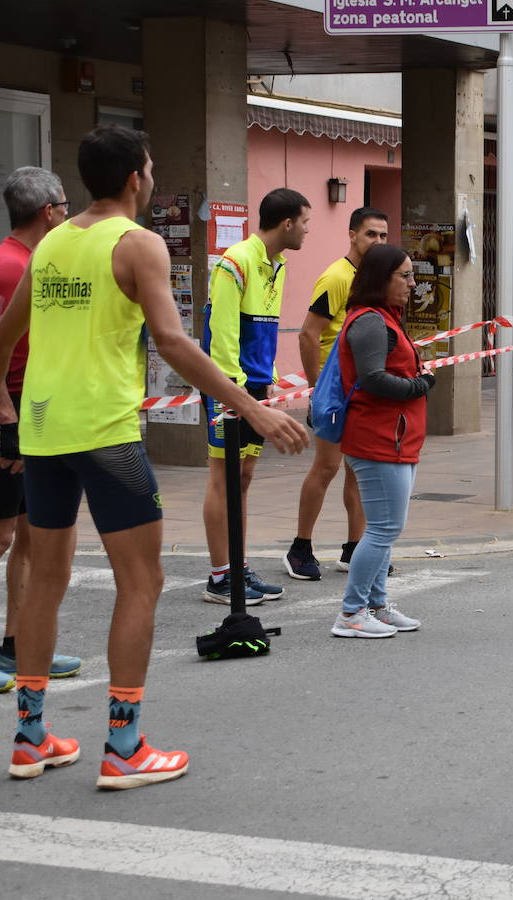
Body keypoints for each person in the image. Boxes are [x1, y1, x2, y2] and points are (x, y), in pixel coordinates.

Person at [0, 124, 307, 788]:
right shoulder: (138, 244)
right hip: (105, 435)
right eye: (153, 167)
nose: (154, 177)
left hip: (43, 434)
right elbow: (172, 341)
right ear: (136, 177)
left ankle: (29, 737)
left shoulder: (49, 247)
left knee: (45, 581)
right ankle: (125, 747)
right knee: (142, 581)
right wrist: (251, 407)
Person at [0, 168, 81, 694]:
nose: (68, 214)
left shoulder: (35, 262)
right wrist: (5, 416)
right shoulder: (7, 266)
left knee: (26, 537)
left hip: (32, 408)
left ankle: (16, 646)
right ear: (48, 211)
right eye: (65, 206)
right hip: (9, 411)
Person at [200, 187, 311, 605]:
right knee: (222, 478)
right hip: (231, 388)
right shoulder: (235, 262)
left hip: (258, 386)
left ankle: (238, 566)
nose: (306, 231)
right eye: (305, 222)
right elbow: (223, 334)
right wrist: (232, 391)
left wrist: (271, 378)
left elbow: (262, 328)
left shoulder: (276, 264)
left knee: (242, 480)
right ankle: (219, 577)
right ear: (286, 223)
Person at [330, 244, 434, 638]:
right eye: (404, 276)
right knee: (384, 529)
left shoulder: (383, 318)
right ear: (380, 279)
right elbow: (372, 377)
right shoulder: (371, 322)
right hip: (378, 439)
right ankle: (351, 614)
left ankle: (377, 605)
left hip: (394, 439)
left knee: (384, 527)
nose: (412, 283)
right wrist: (418, 385)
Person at [284, 207, 388, 579]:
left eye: (382, 235)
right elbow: (308, 334)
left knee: (357, 472)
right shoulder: (337, 277)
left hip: (362, 391)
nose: (377, 241)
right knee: (326, 467)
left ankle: (354, 549)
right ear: (352, 235)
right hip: (334, 391)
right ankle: (300, 548)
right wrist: (317, 389)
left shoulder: (373, 279)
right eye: (370, 234)